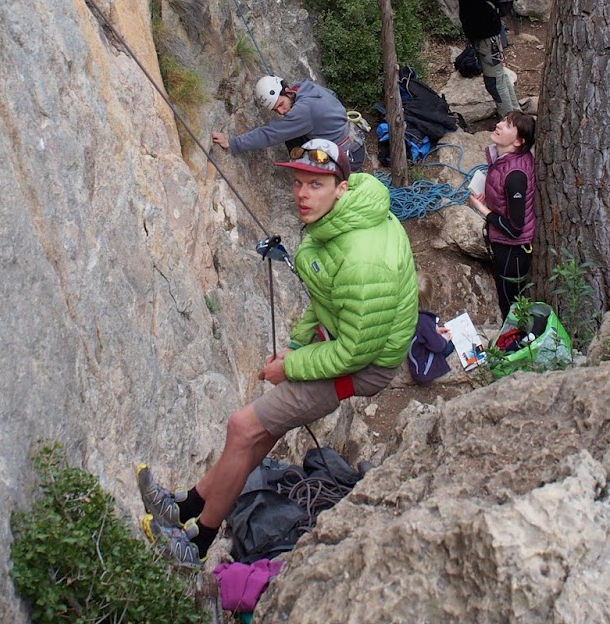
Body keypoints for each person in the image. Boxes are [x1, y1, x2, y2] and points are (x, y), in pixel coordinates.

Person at [137, 138, 418, 565]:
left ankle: (196, 543)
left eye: (316, 185)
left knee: (242, 426)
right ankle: (188, 507)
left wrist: (291, 367)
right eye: (299, 183)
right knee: (261, 431)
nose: (303, 194)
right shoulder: (347, 220)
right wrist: (294, 345)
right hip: (348, 343)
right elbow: (327, 301)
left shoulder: (364, 259)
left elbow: (356, 352)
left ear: (341, 187)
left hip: (364, 365)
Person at [213, 74, 366, 171]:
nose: (281, 112)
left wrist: (233, 144)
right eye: (275, 110)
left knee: (289, 135)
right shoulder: (305, 87)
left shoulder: (304, 111)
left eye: (280, 104)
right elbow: (333, 94)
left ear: (287, 91)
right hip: (354, 141)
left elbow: (270, 134)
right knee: (292, 135)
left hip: (349, 157)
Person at [468, 110, 537, 317]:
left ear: (518, 141)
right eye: (502, 121)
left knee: (509, 303)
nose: (498, 125)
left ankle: (515, 344)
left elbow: (515, 228)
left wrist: (483, 210)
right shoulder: (506, 160)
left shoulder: (515, 174)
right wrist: (487, 200)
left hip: (512, 250)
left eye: (507, 126)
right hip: (507, 247)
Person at [447, 0, 520, 117]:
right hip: (477, 32)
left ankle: (510, 122)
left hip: (488, 33)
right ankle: (516, 114)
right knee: (499, 75)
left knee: (494, 81)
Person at [407, 271, 455, 383]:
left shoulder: (407, 313)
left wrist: (435, 330)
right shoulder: (424, 321)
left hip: (413, 344)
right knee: (450, 346)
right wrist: (444, 339)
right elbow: (438, 346)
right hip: (422, 368)